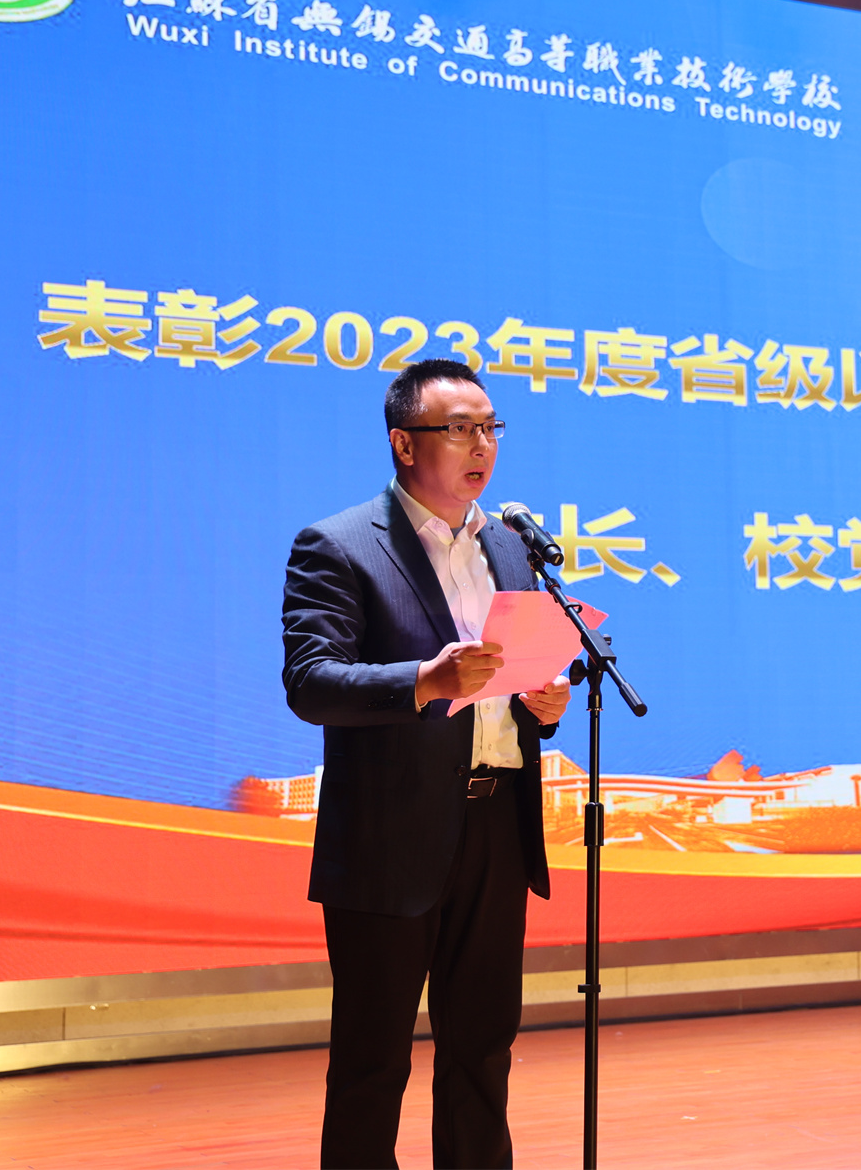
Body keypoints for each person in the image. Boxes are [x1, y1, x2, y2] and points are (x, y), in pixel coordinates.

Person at [282, 358, 570, 1169]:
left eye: (491, 427)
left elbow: (508, 685)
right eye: (460, 428)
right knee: (372, 1061)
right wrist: (424, 681)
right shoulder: (338, 545)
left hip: (496, 825)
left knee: (483, 1048)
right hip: (389, 837)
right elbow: (311, 682)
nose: (482, 445)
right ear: (405, 444)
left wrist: (538, 706)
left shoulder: (509, 546)